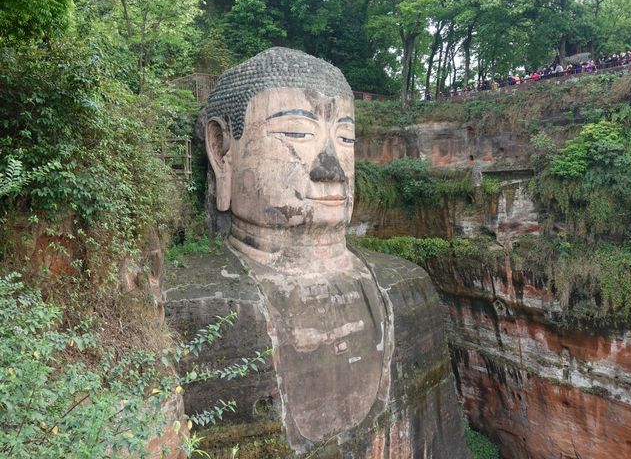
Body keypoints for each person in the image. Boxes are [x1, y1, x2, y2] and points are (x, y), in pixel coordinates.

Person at [165, 47, 470, 457]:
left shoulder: (408, 288)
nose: (332, 167)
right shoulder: (192, 313)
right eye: (296, 133)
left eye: (345, 138)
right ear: (221, 149)